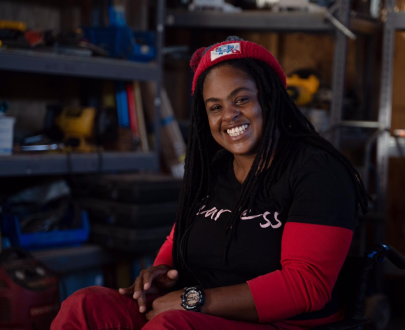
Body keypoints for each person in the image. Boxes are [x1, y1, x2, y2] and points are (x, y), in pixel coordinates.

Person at [51, 36, 370, 330]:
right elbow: (175, 242)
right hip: (193, 310)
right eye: (215, 107)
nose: (228, 115)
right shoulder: (213, 171)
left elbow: (305, 286)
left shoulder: (318, 171)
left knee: (171, 326)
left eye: (241, 99)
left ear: (270, 99)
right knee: (84, 305)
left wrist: (193, 300)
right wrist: (160, 273)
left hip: (279, 322)